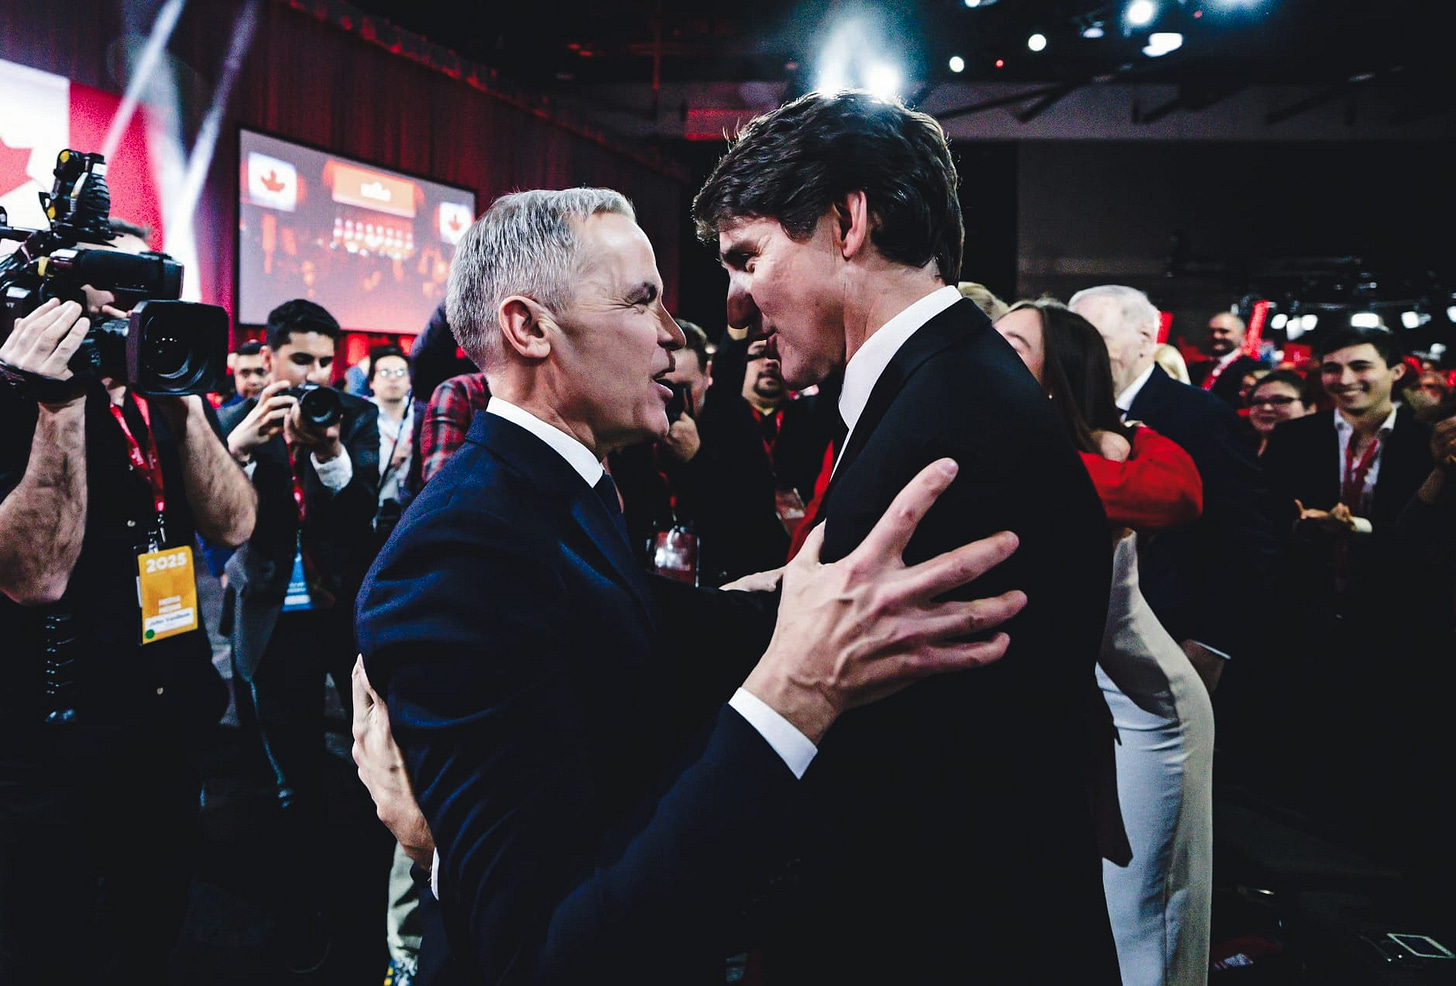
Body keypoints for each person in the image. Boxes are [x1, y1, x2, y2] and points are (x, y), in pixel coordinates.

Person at [354, 187, 1028, 984]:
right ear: (529, 328)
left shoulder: (552, 492)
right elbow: (543, 954)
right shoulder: (460, 550)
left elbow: (637, 632)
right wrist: (797, 691)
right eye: (642, 302)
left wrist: (795, 593)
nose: (674, 336)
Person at [694, 89, 1120, 984]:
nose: (732, 306)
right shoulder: (939, 386)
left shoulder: (946, 420)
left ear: (849, 221)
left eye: (748, 258)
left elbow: (873, 740)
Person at [0, 228, 257, 980]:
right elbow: (35, 578)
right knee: (53, 941)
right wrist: (59, 402)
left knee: (156, 918)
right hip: (51, 736)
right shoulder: (16, 394)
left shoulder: (163, 391)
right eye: (113, 281)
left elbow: (236, 524)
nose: (131, 309)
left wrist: (182, 404)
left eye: (147, 286)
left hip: (169, 714)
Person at [995, 298, 1215, 986]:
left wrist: (1130, 430)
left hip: (1143, 702)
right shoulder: (1042, 448)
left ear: (1056, 376)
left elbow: (1178, 493)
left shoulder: (1064, 462)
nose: (987, 353)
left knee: (1141, 911)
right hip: (1085, 699)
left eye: (1012, 345)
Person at [219, 298, 381, 973]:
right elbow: (217, 522)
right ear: (270, 357)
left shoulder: (355, 415)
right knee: (293, 773)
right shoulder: (231, 422)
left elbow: (362, 510)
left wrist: (330, 451)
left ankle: (366, 892)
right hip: (269, 613)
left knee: (371, 753)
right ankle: (301, 902)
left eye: (325, 362)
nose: (315, 375)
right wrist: (238, 450)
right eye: (301, 360)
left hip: (342, 611)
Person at [1258, 327, 1433, 834]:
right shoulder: (1295, 437)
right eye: (1332, 368)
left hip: (1396, 610)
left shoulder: (1426, 442)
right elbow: (1267, 517)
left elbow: (1430, 535)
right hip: (1309, 606)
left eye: (1360, 367)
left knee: (1385, 736)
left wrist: (1359, 529)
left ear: (1395, 372)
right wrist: (1301, 525)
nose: (1345, 379)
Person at [1070, 284, 1277, 697]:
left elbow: (1246, 535)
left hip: (1170, 631)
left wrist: (1211, 642)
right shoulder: (1069, 412)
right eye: (1075, 341)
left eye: (1098, 339)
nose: (1082, 354)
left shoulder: (1199, 415)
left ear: (1146, 337)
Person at [368, 343, 413, 545]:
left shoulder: (422, 415)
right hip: (372, 516)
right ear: (372, 381)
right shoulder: (360, 418)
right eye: (385, 372)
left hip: (412, 514)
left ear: (409, 381)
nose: (393, 378)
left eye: (400, 372)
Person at [1190, 311, 1265, 408]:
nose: (1216, 336)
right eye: (1211, 331)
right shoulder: (1196, 368)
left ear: (1242, 336)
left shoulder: (1254, 369)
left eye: (1224, 331)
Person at [1246, 368, 1315, 456]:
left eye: (1279, 400)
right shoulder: (1241, 450)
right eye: (1258, 402)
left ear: (1310, 408)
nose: (1266, 408)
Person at [225, 338, 270, 408]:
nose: (254, 381)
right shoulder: (222, 414)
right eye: (245, 373)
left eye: (261, 372)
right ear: (235, 376)